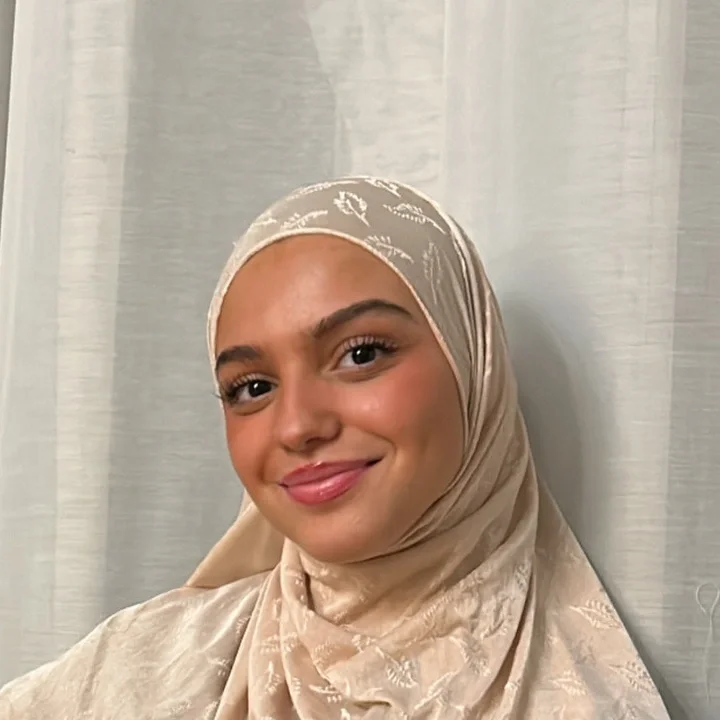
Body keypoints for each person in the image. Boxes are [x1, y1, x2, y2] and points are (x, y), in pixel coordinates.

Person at [0, 177, 670, 718]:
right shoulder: (141, 671)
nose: (297, 426)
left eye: (361, 354)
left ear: (476, 366)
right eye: (252, 387)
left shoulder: (582, 699)